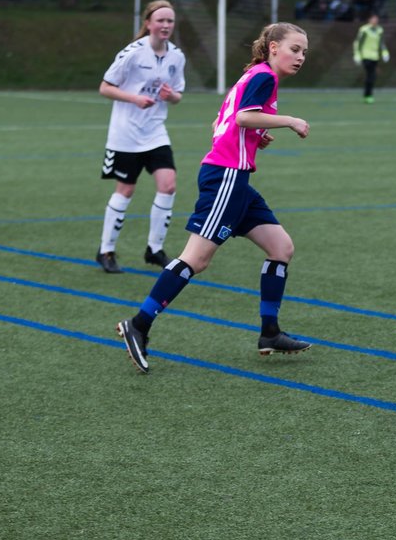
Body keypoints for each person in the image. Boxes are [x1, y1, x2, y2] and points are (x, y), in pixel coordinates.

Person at [115, 22, 313, 373]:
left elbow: (221, 123)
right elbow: (242, 116)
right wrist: (290, 121)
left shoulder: (254, 74)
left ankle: (270, 332)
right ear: (273, 48)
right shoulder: (264, 77)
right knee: (197, 258)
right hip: (226, 176)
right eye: (295, 49)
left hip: (237, 179)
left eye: (304, 52)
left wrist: (257, 137)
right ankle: (139, 325)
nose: (300, 57)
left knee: (281, 248)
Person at [94, 0, 186, 273]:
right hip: (126, 134)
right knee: (126, 190)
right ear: (148, 23)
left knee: (168, 185)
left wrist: (173, 97)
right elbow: (105, 87)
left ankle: (154, 250)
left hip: (156, 132)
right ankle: (106, 250)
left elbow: (178, 95)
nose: (166, 25)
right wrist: (133, 98)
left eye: (170, 21)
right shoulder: (132, 53)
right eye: (160, 20)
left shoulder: (177, 56)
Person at [352, 12, 389, 104]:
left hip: (375, 56)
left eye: (376, 19)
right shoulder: (364, 30)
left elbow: (381, 43)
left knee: (371, 76)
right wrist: (357, 55)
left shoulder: (379, 30)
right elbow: (358, 43)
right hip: (366, 56)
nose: (375, 20)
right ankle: (368, 95)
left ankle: (367, 95)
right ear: (369, 20)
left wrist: (385, 53)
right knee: (371, 75)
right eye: (373, 18)